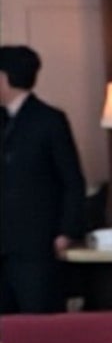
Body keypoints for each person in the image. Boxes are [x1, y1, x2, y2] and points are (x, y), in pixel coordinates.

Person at [0, 44, 87, 314]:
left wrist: (66, 232)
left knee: (39, 320)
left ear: (4, 78)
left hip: (36, 245)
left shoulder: (49, 120)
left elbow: (72, 181)